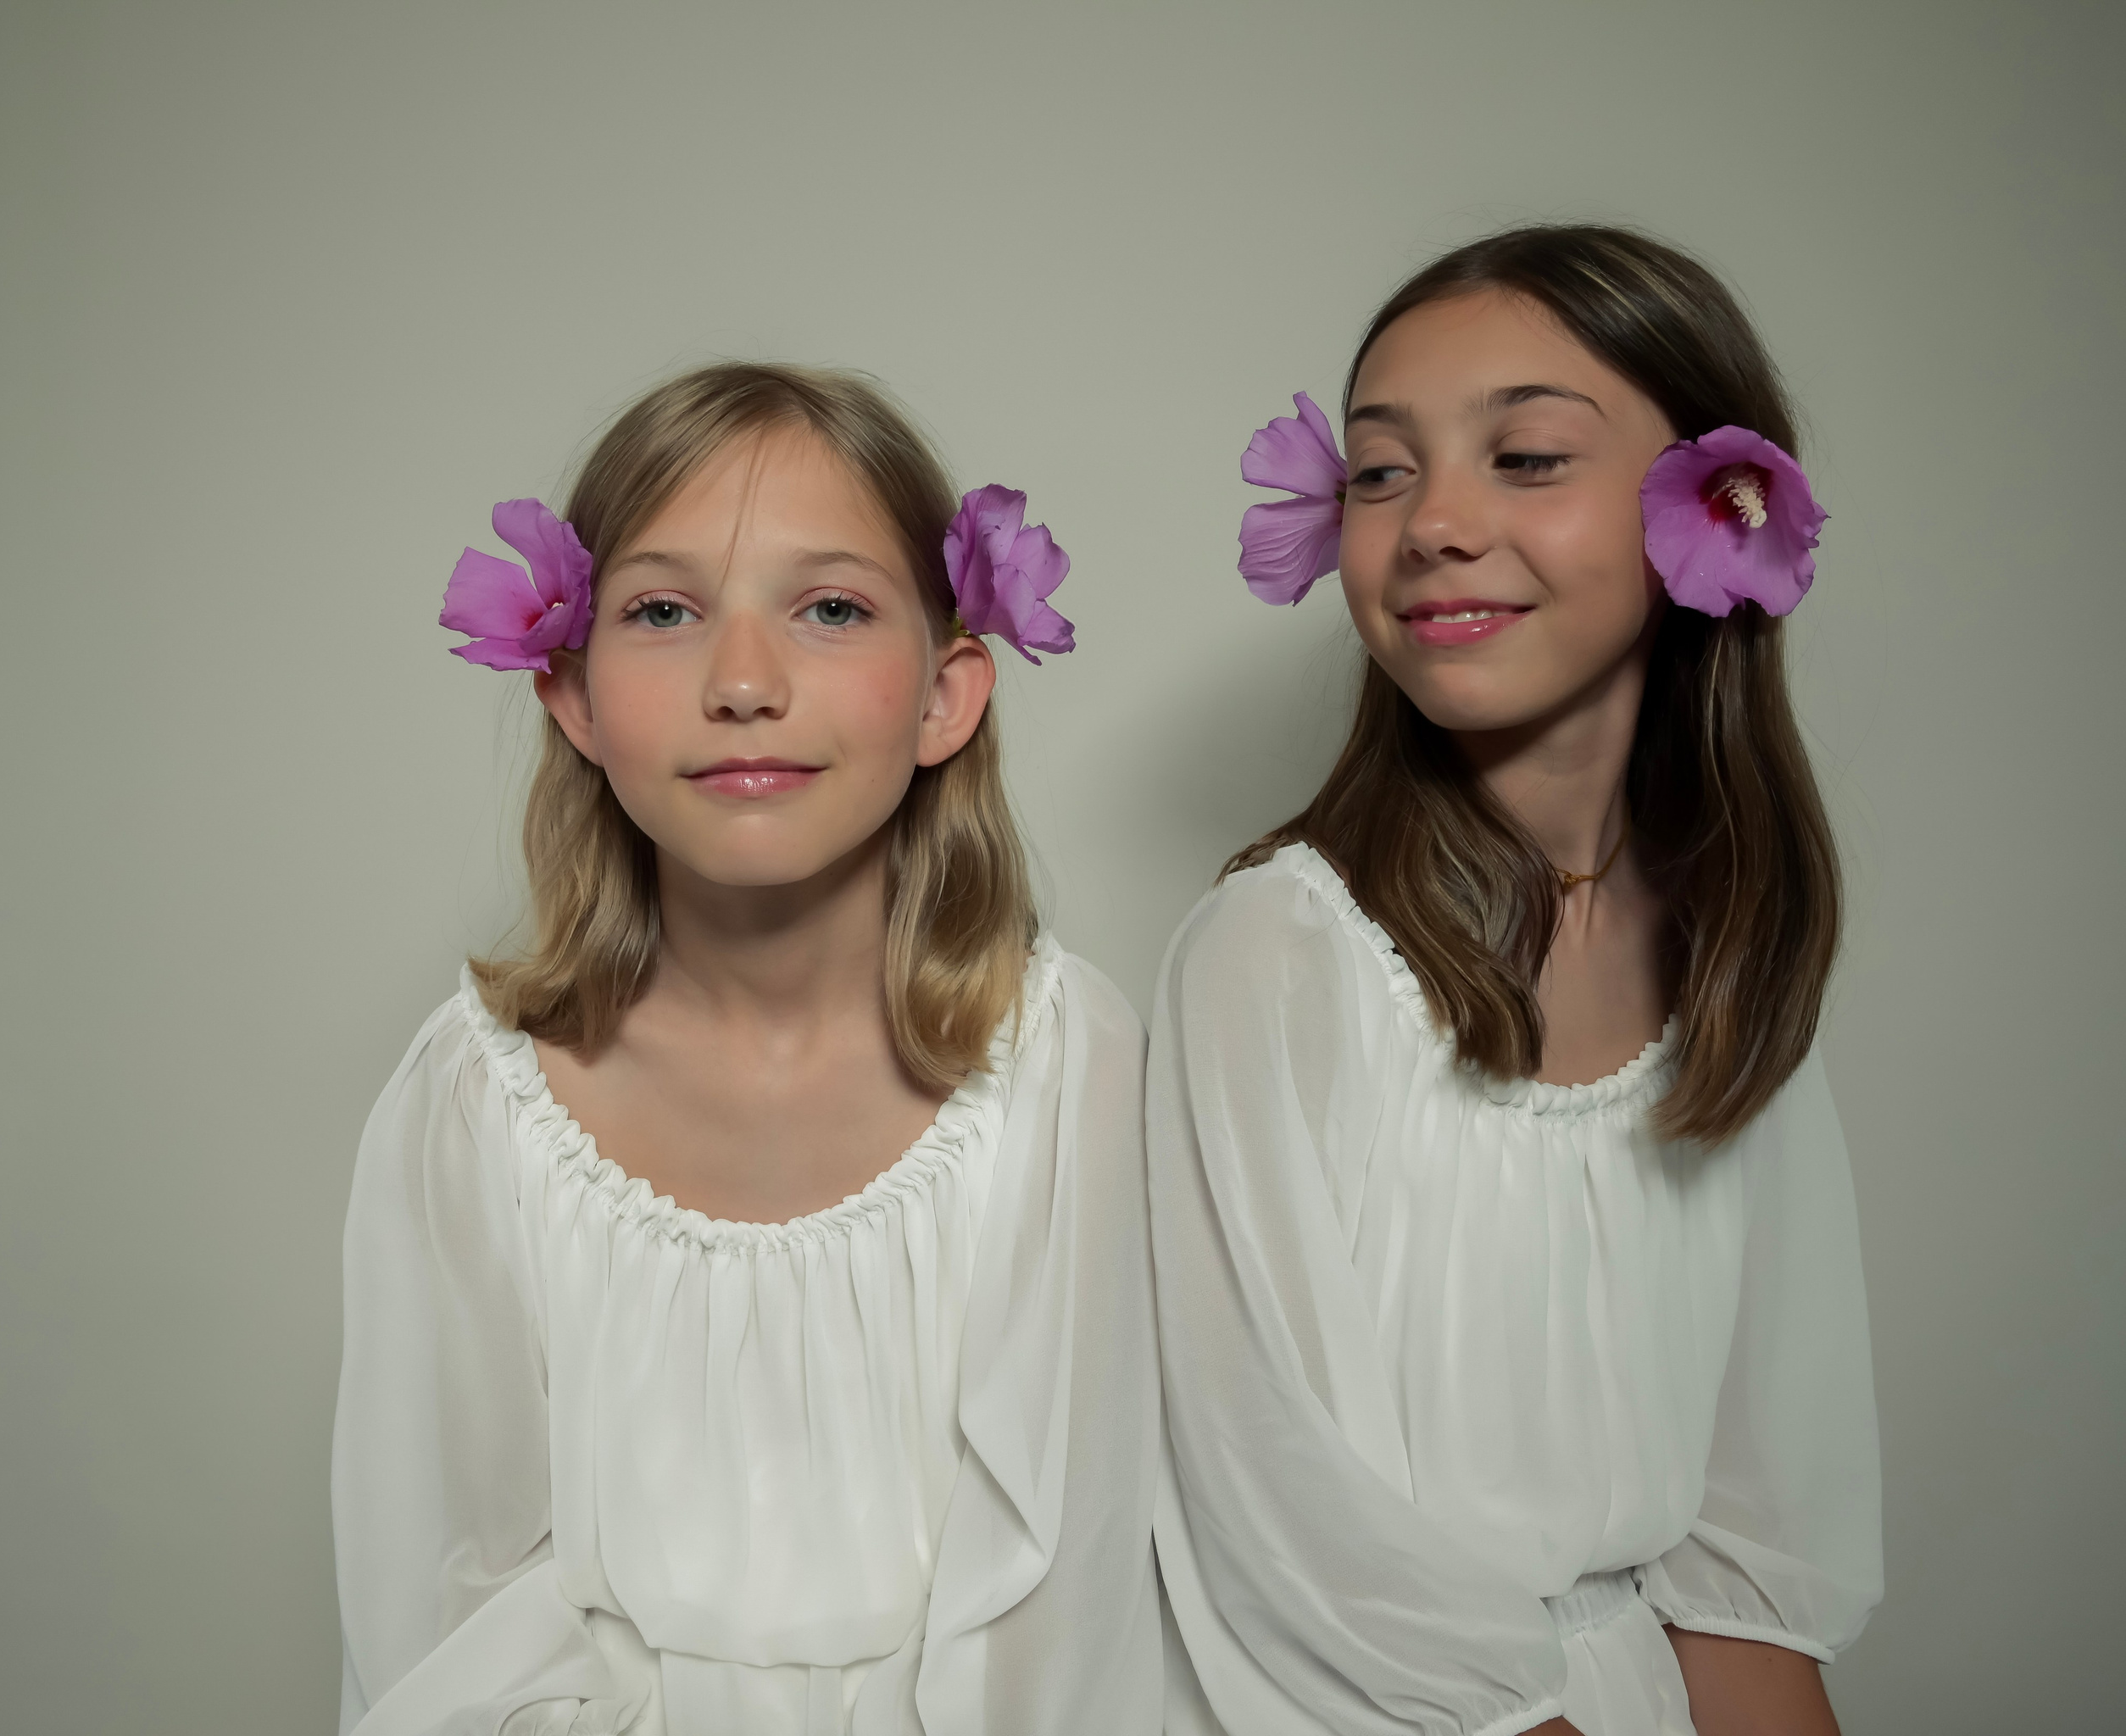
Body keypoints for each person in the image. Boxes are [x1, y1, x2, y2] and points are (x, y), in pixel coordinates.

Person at [332, 364, 1160, 1735]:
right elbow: (446, 1610)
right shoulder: (476, 1096)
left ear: (949, 694)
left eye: (830, 609)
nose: (743, 680)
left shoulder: (1072, 1063)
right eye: (663, 612)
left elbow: (1080, 1599)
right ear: (576, 698)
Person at [1151, 226, 1882, 1736]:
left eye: (1530, 457)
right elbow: (1290, 1548)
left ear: (1712, 506)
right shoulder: (1283, 959)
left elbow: (1748, 1565)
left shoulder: (1732, 961)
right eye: (1379, 470)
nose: (1433, 524)